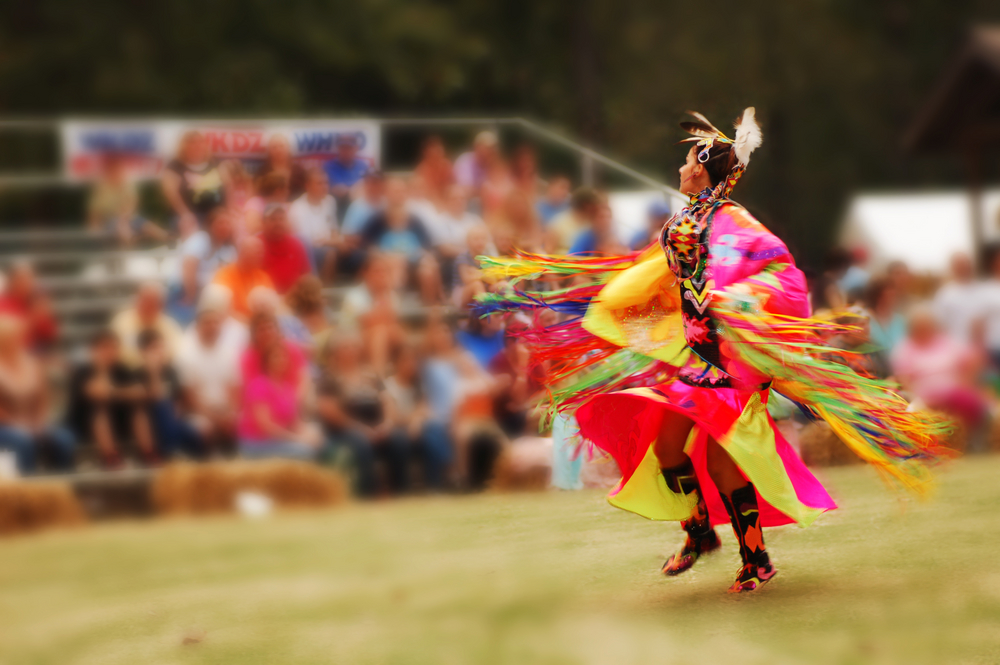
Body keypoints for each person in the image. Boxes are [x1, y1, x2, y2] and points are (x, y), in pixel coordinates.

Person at [479, 108, 949, 593]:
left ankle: (755, 559)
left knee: (723, 463)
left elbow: (781, 271)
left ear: (702, 165)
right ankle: (701, 533)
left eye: (686, 160)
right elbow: (659, 278)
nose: (681, 168)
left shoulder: (734, 221)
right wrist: (620, 311)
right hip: (695, 358)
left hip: (731, 363)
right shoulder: (685, 217)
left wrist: (739, 299)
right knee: (666, 452)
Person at [316, 333, 409, 496]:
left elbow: (387, 401)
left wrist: (387, 424)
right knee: (362, 444)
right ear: (335, 352)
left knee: (399, 440)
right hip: (344, 429)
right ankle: (368, 497)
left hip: (377, 427)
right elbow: (329, 411)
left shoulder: (370, 375)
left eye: (353, 346)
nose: (350, 351)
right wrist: (360, 429)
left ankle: (401, 494)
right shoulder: (328, 377)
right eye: (345, 347)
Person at [65, 330, 157, 468]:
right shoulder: (82, 372)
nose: (111, 352)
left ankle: (149, 454)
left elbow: (140, 392)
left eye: (114, 347)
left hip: (119, 422)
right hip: (85, 425)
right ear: (94, 350)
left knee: (139, 411)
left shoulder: (123, 370)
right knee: (100, 411)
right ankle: (111, 457)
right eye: (105, 347)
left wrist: (113, 392)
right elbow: (98, 393)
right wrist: (102, 370)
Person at [891, 305, 988, 434]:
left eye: (927, 326)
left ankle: (969, 437)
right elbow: (903, 378)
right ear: (912, 329)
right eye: (920, 327)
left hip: (953, 390)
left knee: (970, 401)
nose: (924, 330)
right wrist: (914, 395)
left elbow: (972, 361)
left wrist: (966, 381)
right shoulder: (905, 348)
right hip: (924, 394)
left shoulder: (945, 341)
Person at [0, 316, 75, 474]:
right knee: (23, 442)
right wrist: (19, 426)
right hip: (5, 424)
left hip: (32, 421)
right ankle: (31, 489)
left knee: (65, 439)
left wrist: (39, 422)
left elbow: (42, 397)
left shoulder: (31, 363)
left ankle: (63, 485)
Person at [175, 293, 241, 456]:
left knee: (240, 424)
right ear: (197, 326)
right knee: (205, 430)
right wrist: (215, 418)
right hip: (198, 413)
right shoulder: (186, 355)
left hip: (224, 409)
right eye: (207, 323)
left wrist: (229, 414)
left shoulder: (230, 354)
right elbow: (189, 398)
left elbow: (234, 390)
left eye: (215, 323)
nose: (212, 327)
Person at [359, 177, 441, 303]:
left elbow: (428, 246)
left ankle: (431, 313)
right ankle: (396, 309)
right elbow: (365, 246)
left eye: (402, 191)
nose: (399, 194)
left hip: (413, 261)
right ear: (386, 194)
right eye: (395, 191)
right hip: (386, 263)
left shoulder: (415, 219)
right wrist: (385, 256)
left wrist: (424, 257)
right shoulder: (376, 219)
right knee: (396, 264)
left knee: (428, 270)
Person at [238, 342, 321, 460]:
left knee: (318, 437)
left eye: (284, 356)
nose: (281, 360)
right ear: (267, 361)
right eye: (276, 356)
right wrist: (298, 438)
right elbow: (266, 425)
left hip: (279, 438)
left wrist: (307, 433)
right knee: (305, 451)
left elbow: (294, 421)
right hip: (257, 442)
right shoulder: (259, 385)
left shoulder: (286, 387)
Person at [134, 329, 205, 460]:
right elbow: (155, 396)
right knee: (163, 405)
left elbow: (179, 399)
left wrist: (178, 410)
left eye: (161, 347)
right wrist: (153, 372)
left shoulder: (171, 370)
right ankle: (172, 451)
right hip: (151, 420)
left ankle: (188, 456)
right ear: (143, 352)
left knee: (196, 432)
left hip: (173, 418)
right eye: (154, 348)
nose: (159, 352)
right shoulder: (138, 372)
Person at [168, 206, 237, 325]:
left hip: (208, 293)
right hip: (183, 289)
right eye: (220, 223)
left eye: (227, 223)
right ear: (210, 225)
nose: (224, 226)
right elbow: (188, 268)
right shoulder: (199, 239)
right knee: (185, 320)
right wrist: (190, 297)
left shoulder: (229, 250)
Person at [340, 253, 405, 375]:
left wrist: (384, 294)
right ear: (366, 274)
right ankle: (378, 377)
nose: (381, 275)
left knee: (398, 332)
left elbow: (393, 321)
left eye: (384, 271)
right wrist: (381, 295)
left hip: (378, 337)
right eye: (377, 271)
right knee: (379, 332)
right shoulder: (355, 295)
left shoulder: (390, 294)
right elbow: (368, 323)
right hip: (351, 340)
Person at [87, 152, 168, 245]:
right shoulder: (101, 187)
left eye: (119, 169)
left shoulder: (128, 184)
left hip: (128, 217)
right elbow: (94, 211)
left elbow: (132, 203)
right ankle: (131, 244)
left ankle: (167, 239)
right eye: (113, 169)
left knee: (146, 225)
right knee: (121, 227)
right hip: (108, 221)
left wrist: (124, 217)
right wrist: (94, 230)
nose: (117, 172)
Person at [161, 130, 226, 231]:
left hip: (216, 216)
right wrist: (185, 214)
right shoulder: (174, 166)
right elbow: (170, 192)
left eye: (200, 142)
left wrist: (227, 211)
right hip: (186, 216)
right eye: (192, 142)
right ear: (184, 146)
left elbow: (228, 186)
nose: (197, 146)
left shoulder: (215, 163)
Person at [110, 281, 183, 367]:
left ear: (161, 305)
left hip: (161, 371)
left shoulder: (169, 326)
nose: (147, 305)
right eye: (144, 300)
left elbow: (178, 351)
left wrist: (161, 355)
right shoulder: (121, 322)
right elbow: (113, 352)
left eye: (153, 302)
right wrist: (145, 360)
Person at [288, 168, 339, 281]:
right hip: (307, 249)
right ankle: (324, 288)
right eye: (319, 183)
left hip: (327, 244)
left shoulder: (330, 201)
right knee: (330, 253)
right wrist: (334, 242)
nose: (324, 186)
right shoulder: (297, 208)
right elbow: (307, 241)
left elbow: (333, 230)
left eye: (326, 183)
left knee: (352, 246)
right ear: (308, 186)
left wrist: (339, 241)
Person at [0, 261, 59, 352]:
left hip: (36, 353)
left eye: (30, 278)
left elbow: (50, 335)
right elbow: (7, 337)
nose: (27, 283)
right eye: (22, 279)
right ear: (11, 281)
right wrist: (33, 317)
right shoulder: (4, 303)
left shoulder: (35, 300)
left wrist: (45, 314)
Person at [212, 237, 275, 320]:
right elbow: (222, 309)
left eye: (262, 253)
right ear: (243, 253)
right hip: (233, 322)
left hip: (258, 324)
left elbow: (271, 307)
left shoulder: (262, 277)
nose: (261, 256)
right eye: (257, 252)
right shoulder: (224, 275)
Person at [258, 204, 311, 295]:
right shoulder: (255, 245)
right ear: (263, 222)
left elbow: (306, 276)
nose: (278, 223)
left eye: (281, 219)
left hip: (294, 298)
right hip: (265, 300)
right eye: (273, 219)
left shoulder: (297, 244)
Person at [933, 251, 981, 345]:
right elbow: (939, 325)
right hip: (957, 349)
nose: (965, 266)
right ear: (953, 267)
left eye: (967, 263)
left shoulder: (983, 290)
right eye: (960, 264)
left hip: (985, 349)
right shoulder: (945, 294)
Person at [547, 187, 601, 254]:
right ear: (586, 205)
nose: (597, 208)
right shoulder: (559, 222)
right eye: (595, 204)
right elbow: (548, 250)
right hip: (564, 262)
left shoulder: (594, 223)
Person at [257, 133, 308, 199]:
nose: (278, 150)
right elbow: (259, 196)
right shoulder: (262, 172)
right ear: (269, 150)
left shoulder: (299, 171)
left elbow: (305, 194)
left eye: (281, 146)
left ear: (288, 148)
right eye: (274, 147)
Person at [325, 133, 370, 202]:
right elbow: (339, 192)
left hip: (362, 203)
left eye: (349, 148)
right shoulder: (329, 167)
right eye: (343, 148)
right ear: (338, 148)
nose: (345, 151)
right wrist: (358, 188)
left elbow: (369, 187)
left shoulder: (363, 165)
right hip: (340, 204)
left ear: (356, 148)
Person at [244, 173, 290, 237]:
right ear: (278, 191)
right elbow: (252, 228)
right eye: (286, 189)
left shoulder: (283, 206)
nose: (288, 192)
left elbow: (290, 229)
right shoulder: (255, 202)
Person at [414, 135, 454, 202]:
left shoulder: (447, 166)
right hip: (429, 201)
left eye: (438, 148)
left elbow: (450, 187)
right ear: (426, 152)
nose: (437, 151)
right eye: (433, 149)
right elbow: (427, 192)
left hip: (446, 200)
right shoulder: (422, 169)